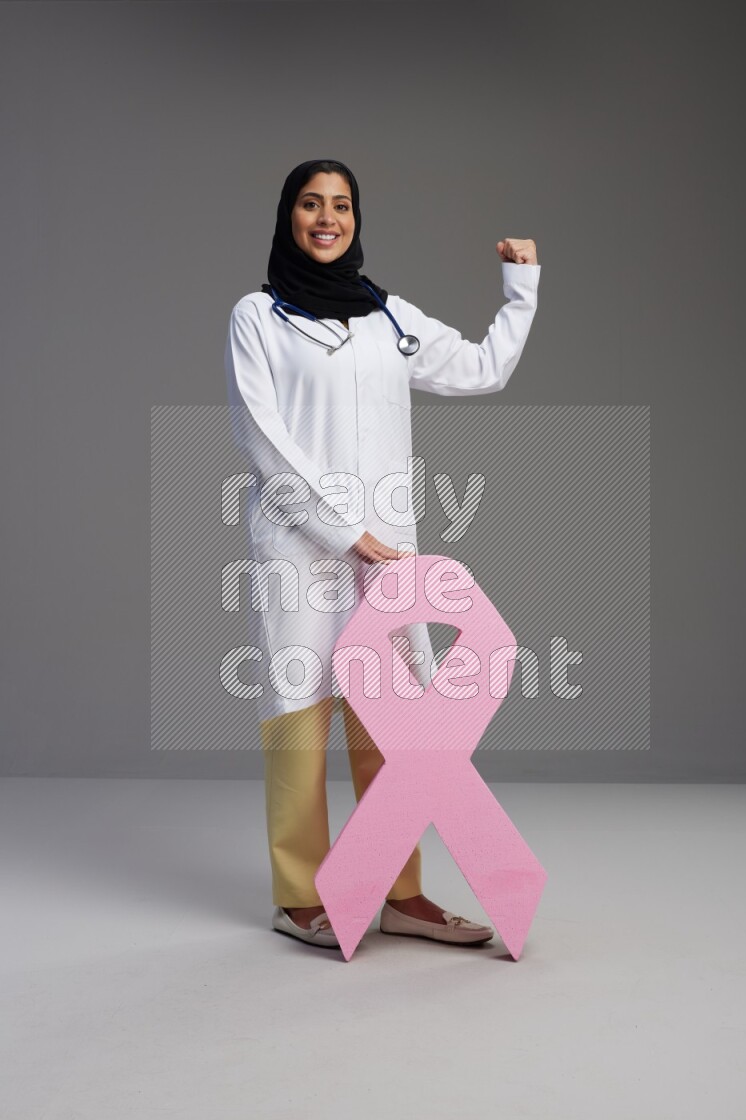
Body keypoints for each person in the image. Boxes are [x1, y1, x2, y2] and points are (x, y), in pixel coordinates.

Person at [224, 159, 540, 950]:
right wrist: (343, 531)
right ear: (287, 215)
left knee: (393, 722)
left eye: (340, 205)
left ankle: (398, 890)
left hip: (388, 557)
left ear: (357, 219)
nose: (326, 218)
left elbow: (480, 368)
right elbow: (263, 438)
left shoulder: (386, 316)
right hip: (302, 547)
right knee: (298, 716)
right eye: (310, 203)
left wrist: (520, 286)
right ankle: (300, 896)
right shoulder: (258, 317)